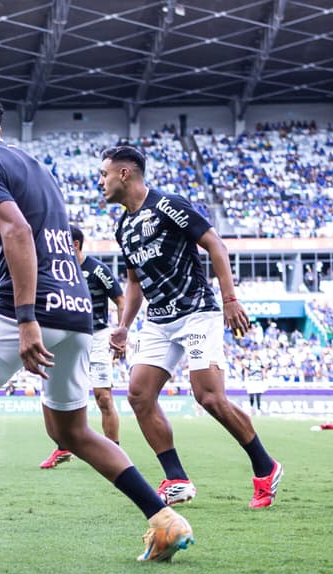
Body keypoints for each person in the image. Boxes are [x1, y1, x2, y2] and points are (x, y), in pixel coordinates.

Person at [0, 90, 191, 568]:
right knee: (73, 432)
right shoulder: (35, 166)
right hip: (76, 310)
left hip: (27, 308)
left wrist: (26, 319)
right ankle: (165, 519)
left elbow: (18, 232)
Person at [100, 144, 282, 509]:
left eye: (104, 174)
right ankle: (177, 480)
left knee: (209, 397)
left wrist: (230, 299)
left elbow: (216, 245)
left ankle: (266, 467)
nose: (100, 182)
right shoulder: (123, 227)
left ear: (124, 173)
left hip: (197, 311)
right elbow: (134, 283)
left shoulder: (169, 205)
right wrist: (123, 326)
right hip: (158, 319)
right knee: (138, 394)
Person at [39, 225, 126, 468]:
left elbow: (121, 300)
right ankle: (63, 448)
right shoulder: (57, 269)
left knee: (103, 397)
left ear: (75, 244)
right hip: (67, 336)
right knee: (59, 395)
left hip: (97, 336)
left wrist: (121, 333)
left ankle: (114, 452)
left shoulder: (97, 270)